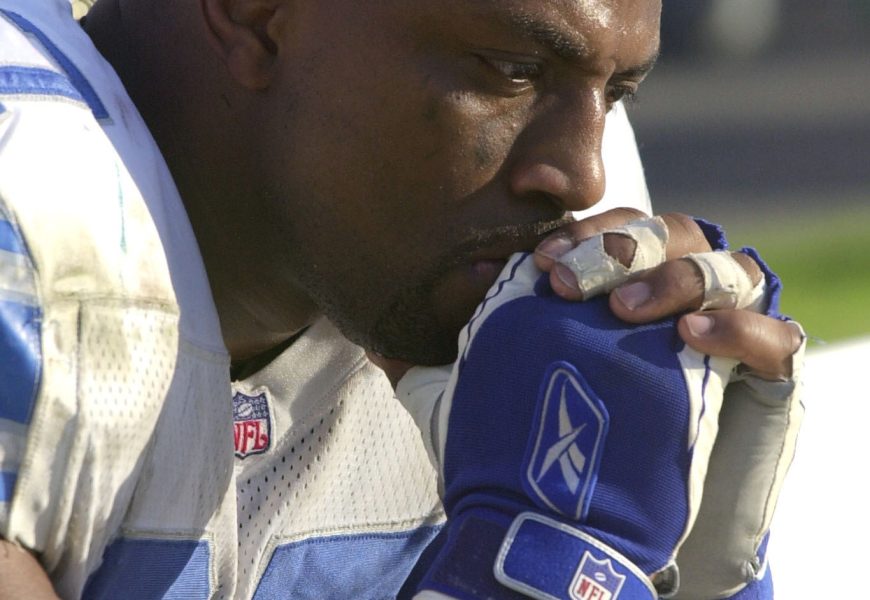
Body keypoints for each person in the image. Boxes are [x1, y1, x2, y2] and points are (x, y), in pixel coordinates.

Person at [0, 0, 803, 598]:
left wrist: (684, 578)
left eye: (618, 91)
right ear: (256, 14)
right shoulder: (28, 235)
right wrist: (542, 568)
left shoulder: (514, 269)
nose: (582, 176)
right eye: (512, 70)